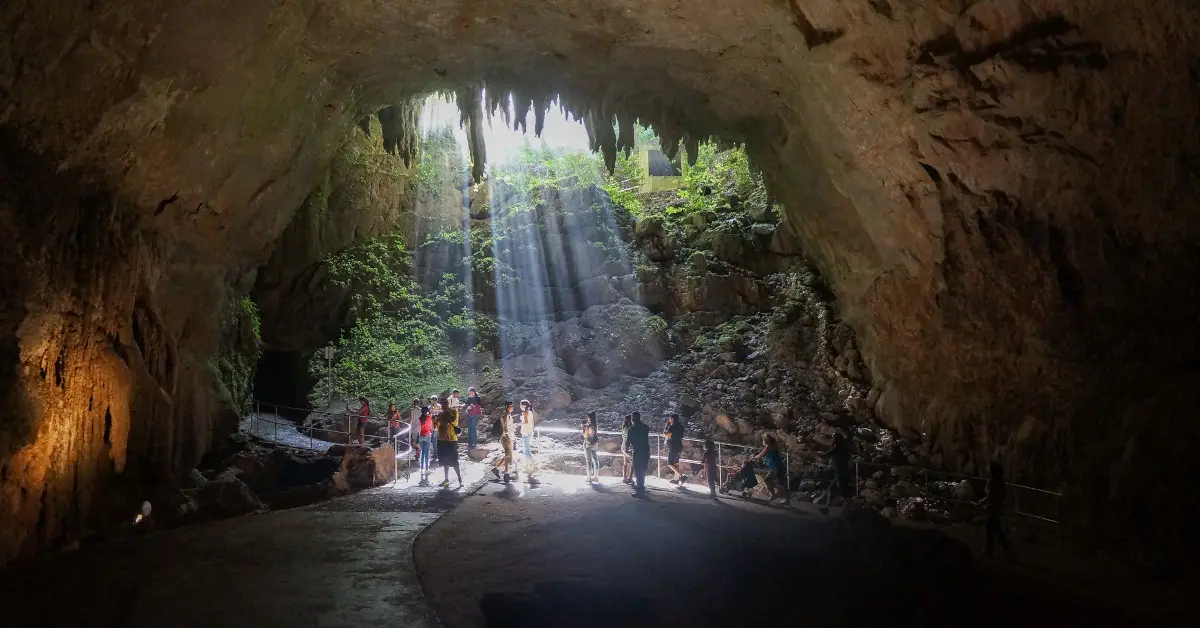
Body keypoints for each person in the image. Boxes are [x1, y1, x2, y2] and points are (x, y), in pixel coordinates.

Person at [979, 461, 1016, 559]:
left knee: (992, 529)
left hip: (992, 508)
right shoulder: (1000, 482)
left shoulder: (992, 482)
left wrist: (983, 502)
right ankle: (1005, 551)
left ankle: (994, 550)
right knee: (995, 529)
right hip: (997, 508)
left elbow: (990, 496)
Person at [819, 430, 853, 515]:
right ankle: (827, 508)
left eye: (833, 437)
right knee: (832, 490)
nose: (831, 439)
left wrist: (815, 453)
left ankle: (846, 512)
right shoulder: (844, 448)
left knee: (844, 495)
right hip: (843, 472)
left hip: (840, 473)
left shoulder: (836, 448)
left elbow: (824, 456)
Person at [756, 433, 788, 502]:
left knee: (779, 481)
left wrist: (754, 457)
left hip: (775, 466)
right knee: (775, 480)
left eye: (763, 440)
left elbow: (761, 454)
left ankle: (780, 496)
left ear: (765, 440)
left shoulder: (768, 446)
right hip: (775, 465)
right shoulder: (774, 445)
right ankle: (777, 495)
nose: (762, 441)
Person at [436, 404, 463, 488]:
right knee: (445, 461)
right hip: (442, 439)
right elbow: (437, 425)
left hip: (451, 440)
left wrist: (447, 416)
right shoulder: (441, 414)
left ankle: (460, 479)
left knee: (454, 461)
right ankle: (446, 479)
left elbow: (455, 421)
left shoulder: (454, 412)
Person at [627, 411, 651, 496]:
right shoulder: (646, 427)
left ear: (633, 419)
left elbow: (627, 444)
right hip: (645, 451)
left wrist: (628, 450)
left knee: (637, 471)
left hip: (637, 453)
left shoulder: (630, 430)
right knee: (643, 470)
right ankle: (641, 486)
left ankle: (639, 489)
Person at [492, 401, 516, 482]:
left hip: (509, 437)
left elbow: (510, 427)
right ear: (506, 406)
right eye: (510, 406)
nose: (512, 407)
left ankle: (496, 468)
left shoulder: (508, 415)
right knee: (507, 455)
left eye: (512, 406)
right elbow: (505, 428)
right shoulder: (505, 416)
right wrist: (509, 438)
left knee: (508, 455)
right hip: (506, 437)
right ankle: (506, 473)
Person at [664, 414, 686, 484]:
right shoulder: (681, 427)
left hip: (673, 447)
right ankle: (676, 479)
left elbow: (665, 434)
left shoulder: (672, 427)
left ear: (672, 419)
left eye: (670, 419)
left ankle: (682, 476)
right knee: (676, 463)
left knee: (670, 463)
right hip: (679, 446)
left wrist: (666, 426)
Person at [416, 406, 434, 484]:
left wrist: (417, 440)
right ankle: (427, 469)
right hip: (427, 436)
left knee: (422, 454)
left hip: (421, 436)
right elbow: (431, 427)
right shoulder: (429, 418)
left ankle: (422, 469)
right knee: (427, 454)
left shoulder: (420, 419)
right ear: (427, 411)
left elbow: (418, 430)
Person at [518, 399, 536, 474]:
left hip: (526, 433)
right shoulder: (530, 412)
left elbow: (525, 422)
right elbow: (532, 423)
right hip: (530, 432)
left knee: (526, 451)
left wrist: (518, 424)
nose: (520, 406)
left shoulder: (525, 413)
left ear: (524, 406)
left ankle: (533, 465)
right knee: (526, 450)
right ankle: (527, 466)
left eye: (521, 405)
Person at [583, 412, 601, 482]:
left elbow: (585, 435)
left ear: (589, 418)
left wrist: (583, 427)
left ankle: (589, 477)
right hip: (595, 443)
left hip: (588, 443)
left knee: (588, 460)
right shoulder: (595, 425)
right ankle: (596, 476)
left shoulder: (589, 426)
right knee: (595, 459)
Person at [464, 387, 483, 451]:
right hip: (469, 415)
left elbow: (478, 406)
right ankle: (469, 443)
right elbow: (465, 405)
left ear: (474, 392)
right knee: (469, 428)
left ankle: (474, 443)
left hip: (475, 415)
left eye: (471, 392)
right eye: (469, 392)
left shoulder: (477, 398)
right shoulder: (469, 398)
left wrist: (471, 406)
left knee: (473, 429)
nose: (470, 393)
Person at [619, 414, 634, 484]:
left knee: (625, 463)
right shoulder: (631, 428)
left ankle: (624, 477)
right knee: (633, 463)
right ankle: (630, 478)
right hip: (629, 447)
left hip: (623, 446)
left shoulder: (624, 427)